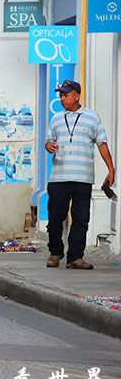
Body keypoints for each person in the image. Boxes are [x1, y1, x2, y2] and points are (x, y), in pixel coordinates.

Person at [45, 80, 115, 269]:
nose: (62, 99)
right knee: (54, 218)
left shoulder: (92, 117)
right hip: (59, 177)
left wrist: (111, 169)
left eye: (66, 95)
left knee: (81, 219)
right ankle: (55, 252)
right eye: (60, 95)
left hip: (83, 177)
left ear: (77, 96)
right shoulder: (56, 118)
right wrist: (48, 146)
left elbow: (102, 143)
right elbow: (48, 140)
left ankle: (75, 257)